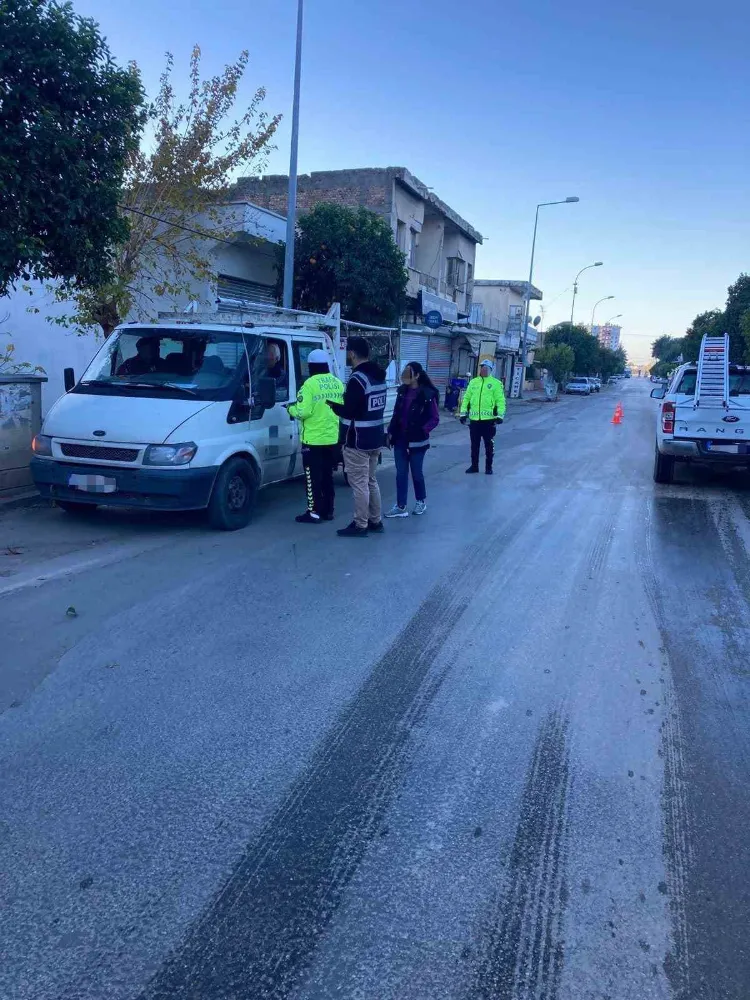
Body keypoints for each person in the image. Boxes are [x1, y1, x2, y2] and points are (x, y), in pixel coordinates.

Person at [326, 336, 387, 537]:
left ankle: (360, 525)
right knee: (370, 480)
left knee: (360, 484)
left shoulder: (357, 379)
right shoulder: (378, 376)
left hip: (357, 440)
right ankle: (375, 521)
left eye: (347, 353)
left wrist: (334, 406)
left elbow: (349, 410)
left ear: (352, 354)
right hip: (375, 437)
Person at [286, 349, 344, 524]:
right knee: (327, 475)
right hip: (332, 439)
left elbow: (303, 411)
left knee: (312, 478)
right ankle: (328, 511)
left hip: (313, 441)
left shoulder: (309, 384)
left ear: (310, 366)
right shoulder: (338, 383)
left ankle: (314, 512)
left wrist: (290, 408)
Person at [384, 361, 440, 518]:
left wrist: (423, 430)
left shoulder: (427, 394)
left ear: (417, 375)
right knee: (401, 473)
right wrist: (390, 432)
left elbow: (434, 418)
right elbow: (396, 414)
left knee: (416, 473)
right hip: (400, 439)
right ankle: (401, 506)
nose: (405, 377)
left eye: (409, 374)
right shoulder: (402, 391)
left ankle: (420, 501)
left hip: (418, 441)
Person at [460, 360, 506, 474]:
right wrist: (463, 413)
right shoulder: (473, 382)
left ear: (490, 370)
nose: (483, 370)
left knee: (489, 445)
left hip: (489, 421)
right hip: (474, 420)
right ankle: (474, 466)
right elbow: (466, 398)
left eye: (486, 368)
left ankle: (488, 467)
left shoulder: (495, 383)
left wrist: (500, 416)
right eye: (482, 368)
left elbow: (500, 400)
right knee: (474, 445)